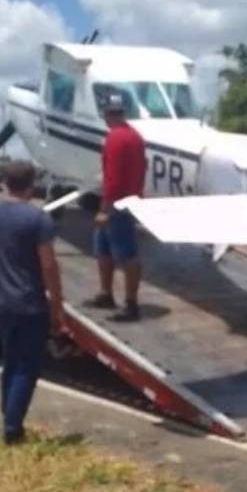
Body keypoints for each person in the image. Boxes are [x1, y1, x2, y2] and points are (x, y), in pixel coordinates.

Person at [0, 160, 66, 445]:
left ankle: (8, 416)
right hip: (30, 302)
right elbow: (48, 265)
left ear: (5, 182)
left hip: (2, 302)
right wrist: (57, 305)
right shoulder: (38, 219)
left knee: (11, 362)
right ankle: (12, 428)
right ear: (31, 184)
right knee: (27, 366)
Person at [84, 92, 147, 322]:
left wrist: (104, 209)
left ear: (105, 113)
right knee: (103, 248)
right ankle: (106, 293)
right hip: (127, 199)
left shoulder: (113, 139)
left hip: (116, 203)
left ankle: (131, 304)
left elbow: (113, 178)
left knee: (126, 253)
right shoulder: (134, 136)